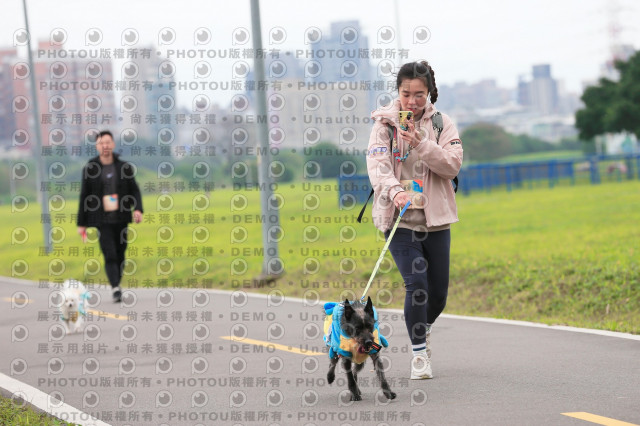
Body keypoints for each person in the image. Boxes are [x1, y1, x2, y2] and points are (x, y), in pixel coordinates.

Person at [366, 61, 463, 379]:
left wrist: (421, 143)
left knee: (438, 296)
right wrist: (395, 192)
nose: (412, 101)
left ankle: (423, 327)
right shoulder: (384, 125)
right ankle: (419, 355)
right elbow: (378, 166)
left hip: (436, 220)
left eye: (419, 94)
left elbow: (452, 165)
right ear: (398, 92)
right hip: (400, 220)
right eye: (406, 94)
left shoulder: (442, 124)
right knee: (416, 284)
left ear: (429, 93)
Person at [77, 130, 143, 302]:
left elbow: (134, 190)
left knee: (121, 252)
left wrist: (138, 209)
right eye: (101, 143)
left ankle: (116, 281)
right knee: (110, 253)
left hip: (121, 217)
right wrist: (81, 223)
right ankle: (115, 287)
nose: (104, 146)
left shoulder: (124, 167)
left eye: (107, 142)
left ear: (113, 144)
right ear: (96, 146)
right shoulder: (90, 168)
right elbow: (84, 195)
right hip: (101, 219)